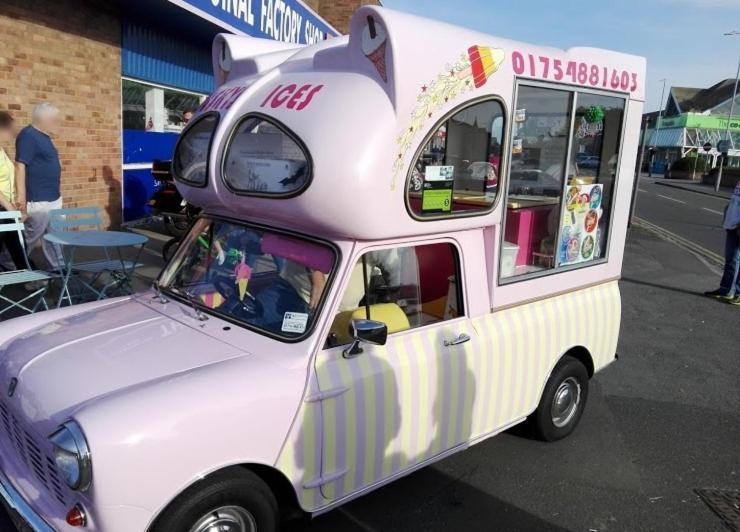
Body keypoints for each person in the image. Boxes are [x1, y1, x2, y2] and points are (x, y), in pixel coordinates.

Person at [15, 102, 64, 270]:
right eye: (55, 120)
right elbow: (20, 166)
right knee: (29, 237)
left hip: (54, 197)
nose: (58, 123)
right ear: (44, 119)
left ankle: (58, 267)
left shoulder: (45, 136)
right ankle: (9, 266)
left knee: (56, 236)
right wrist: (21, 197)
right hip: (38, 199)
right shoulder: (28, 135)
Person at [0, 111, 32, 271]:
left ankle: (31, 277)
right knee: (14, 245)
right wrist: (9, 206)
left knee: (18, 245)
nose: (13, 134)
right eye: (10, 130)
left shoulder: (3, 151)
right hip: (3, 207)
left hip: (7, 207)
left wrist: (16, 202)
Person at [704, 181, 740, 306]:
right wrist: (727, 216)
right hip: (732, 224)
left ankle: (738, 294)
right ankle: (725, 290)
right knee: (731, 260)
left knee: (736, 261)